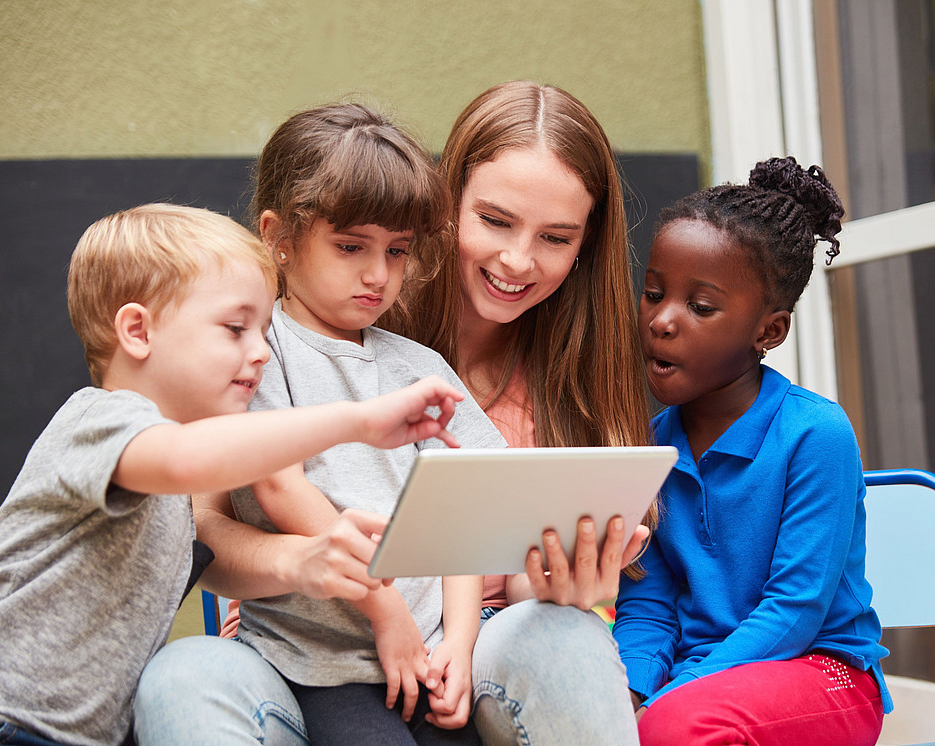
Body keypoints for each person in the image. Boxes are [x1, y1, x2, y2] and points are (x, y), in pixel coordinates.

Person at [0, 203, 472, 746]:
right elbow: (188, 456)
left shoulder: (173, 483)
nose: (261, 352)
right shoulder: (100, 419)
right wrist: (357, 421)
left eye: (263, 331)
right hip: (2, 721)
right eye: (236, 328)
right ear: (138, 331)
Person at [134, 104, 505, 746]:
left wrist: (461, 644)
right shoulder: (259, 352)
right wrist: (384, 607)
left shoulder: (419, 365)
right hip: (321, 668)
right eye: (350, 247)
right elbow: (277, 487)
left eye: (397, 251)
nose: (377, 275)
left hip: (429, 652)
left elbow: (463, 509)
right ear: (279, 235)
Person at [382, 79, 651, 745]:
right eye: (495, 221)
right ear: (447, 205)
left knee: (570, 634)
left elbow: (523, 611)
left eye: (555, 238)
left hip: (489, 662)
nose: (517, 260)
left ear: (586, 244)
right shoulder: (361, 325)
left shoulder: (576, 380)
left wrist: (561, 590)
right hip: (346, 650)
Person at [612, 156, 893, 746]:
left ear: (769, 332)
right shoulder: (651, 445)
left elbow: (794, 611)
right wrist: (625, 694)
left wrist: (666, 699)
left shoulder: (815, 435)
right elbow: (649, 606)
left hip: (823, 672)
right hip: (698, 684)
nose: (661, 321)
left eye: (700, 306)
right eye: (654, 293)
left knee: (675, 727)